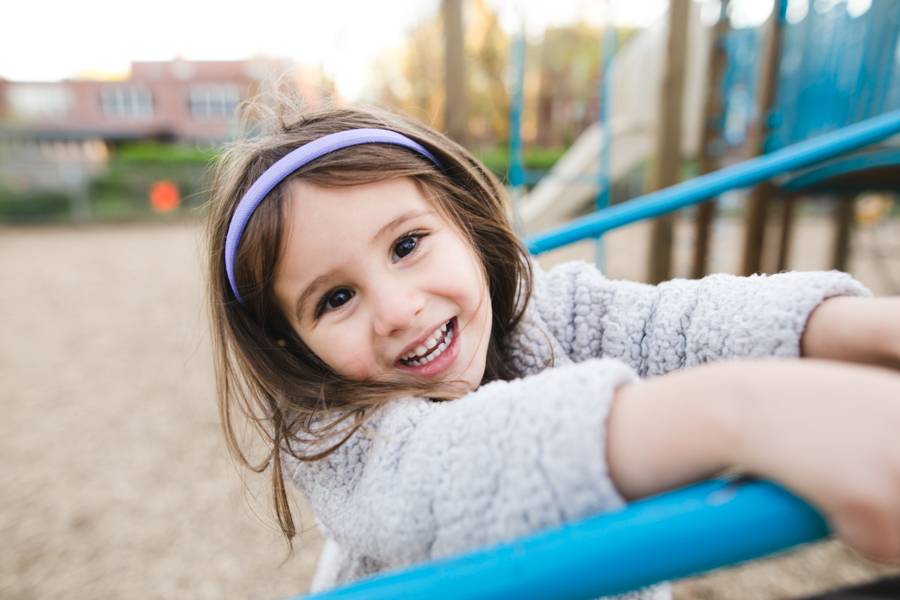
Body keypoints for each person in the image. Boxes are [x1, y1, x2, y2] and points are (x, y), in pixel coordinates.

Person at [206, 101, 900, 598]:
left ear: (469, 228)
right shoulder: (334, 441)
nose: (397, 309)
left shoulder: (538, 313)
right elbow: (467, 466)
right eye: (334, 299)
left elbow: (674, 326)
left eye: (407, 245)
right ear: (291, 345)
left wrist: (855, 327)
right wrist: (742, 412)